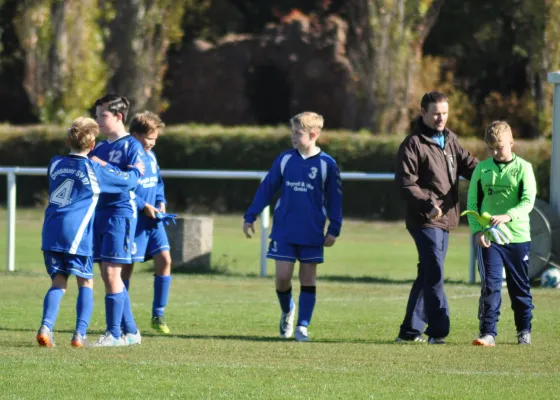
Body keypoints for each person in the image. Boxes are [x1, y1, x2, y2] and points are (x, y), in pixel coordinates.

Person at [37, 117, 143, 348]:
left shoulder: (54, 163)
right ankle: (79, 334)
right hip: (77, 233)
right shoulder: (94, 169)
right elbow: (127, 182)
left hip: (50, 230)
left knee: (58, 282)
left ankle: (46, 327)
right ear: (93, 145)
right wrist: (136, 171)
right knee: (86, 282)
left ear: (67, 141)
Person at [242, 111, 342, 342]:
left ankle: (302, 327)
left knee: (308, 279)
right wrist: (251, 215)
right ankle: (288, 310)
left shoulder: (328, 164)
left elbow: (335, 199)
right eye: (293, 132)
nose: (293, 137)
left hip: (312, 231)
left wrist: (334, 228)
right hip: (285, 230)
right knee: (283, 276)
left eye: (298, 133)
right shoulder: (285, 159)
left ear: (314, 134)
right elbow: (267, 188)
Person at [394, 91, 478, 344]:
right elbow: (405, 183)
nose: (441, 118)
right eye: (436, 113)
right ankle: (438, 332)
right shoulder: (413, 144)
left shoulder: (450, 139)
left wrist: (495, 174)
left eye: (444, 113)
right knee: (436, 272)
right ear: (423, 113)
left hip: (446, 219)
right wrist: (427, 204)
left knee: (428, 273)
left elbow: (471, 166)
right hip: (424, 219)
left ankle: (409, 332)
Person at [466, 120, 536, 346]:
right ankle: (488, 333)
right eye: (491, 148)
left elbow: (527, 201)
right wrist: (478, 231)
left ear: (512, 143)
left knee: (519, 288)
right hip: (490, 238)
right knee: (491, 286)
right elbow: (472, 203)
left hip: (517, 237)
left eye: (500, 147)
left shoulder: (524, 168)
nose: (496, 152)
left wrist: (508, 216)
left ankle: (523, 330)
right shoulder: (482, 168)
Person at [89, 94, 145, 347]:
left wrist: (103, 168)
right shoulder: (99, 147)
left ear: (118, 117)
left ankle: (113, 334)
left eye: (102, 115)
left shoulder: (132, 146)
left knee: (112, 273)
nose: (97, 120)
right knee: (107, 274)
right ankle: (131, 332)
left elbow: (132, 181)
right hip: (99, 214)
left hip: (119, 216)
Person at [121, 111, 173, 334]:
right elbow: (124, 188)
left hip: (154, 221)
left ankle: (158, 315)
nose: (152, 143)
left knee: (165, 260)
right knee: (125, 270)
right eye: (148, 138)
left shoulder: (151, 156)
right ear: (134, 135)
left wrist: (160, 201)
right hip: (134, 221)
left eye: (155, 139)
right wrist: (144, 205)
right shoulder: (128, 157)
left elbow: (158, 183)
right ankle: (122, 318)